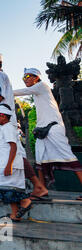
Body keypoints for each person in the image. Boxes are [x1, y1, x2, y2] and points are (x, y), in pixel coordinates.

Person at [0, 51, 48, 200]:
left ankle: (38, 186)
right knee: (4, 153)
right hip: (2, 119)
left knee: (17, 155)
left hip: (3, 120)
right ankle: (3, 187)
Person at [14, 68, 82, 200]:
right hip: (42, 131)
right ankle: (41, 189)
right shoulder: (36, 91)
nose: (25, 79)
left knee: (69, 158)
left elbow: (22, 92)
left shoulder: (42, 86)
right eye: (24, 77)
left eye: (28, 76)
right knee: (40, 159)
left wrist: (2, 93)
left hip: (53, 129)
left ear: (36, 77)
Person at [0, 105, 33, 222]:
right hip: (5, 162)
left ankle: (25, 201)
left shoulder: (8, 128)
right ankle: (15, 214)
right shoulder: (3, 128)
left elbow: (13, 146)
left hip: (10, 163)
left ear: (3, 116)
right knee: (10, 189)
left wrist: (9, 165)